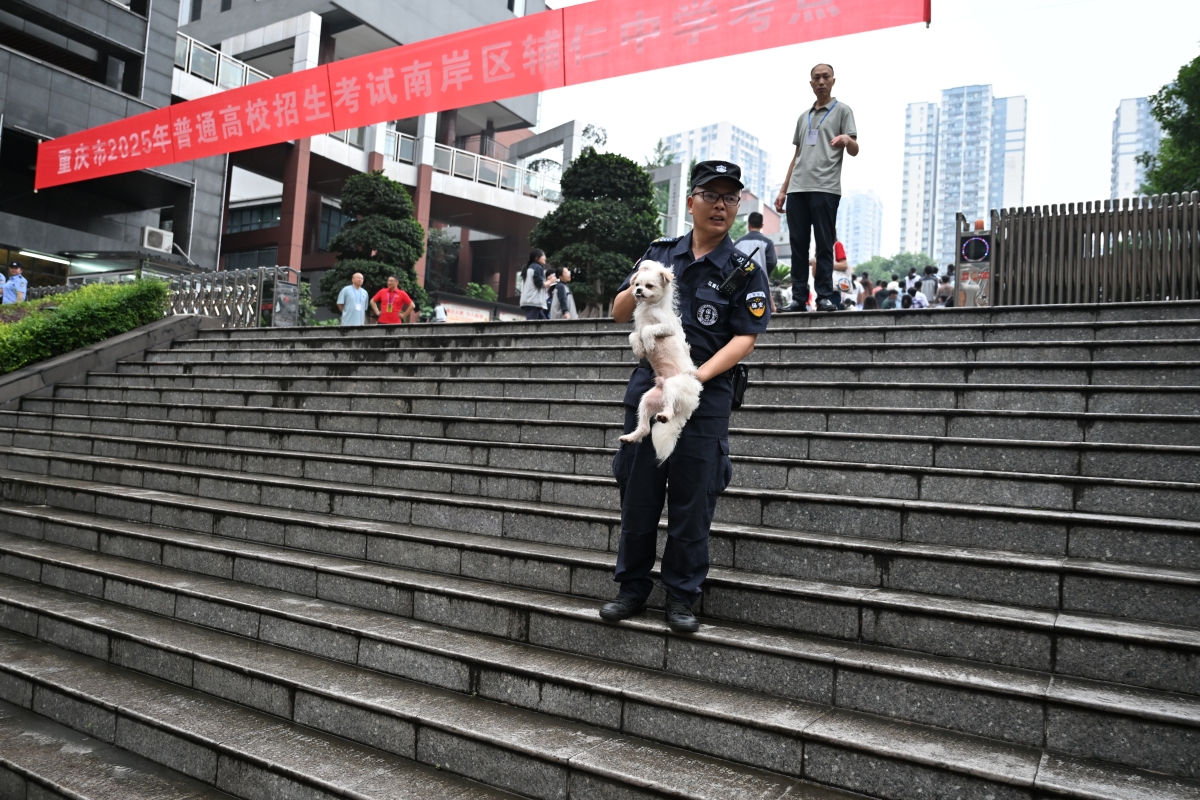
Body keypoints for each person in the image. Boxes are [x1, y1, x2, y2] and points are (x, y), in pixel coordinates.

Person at [601, 160, 770, 634]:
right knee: (639, 495)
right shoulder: (660, 254)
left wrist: (694, 376)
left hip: (705, 396)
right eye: (711, 195)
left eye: (730, 198)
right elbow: (617, 312)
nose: (720, 205)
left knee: (693, 501)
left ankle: (681, 596)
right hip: (651, 386)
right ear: (691, 201)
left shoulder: (742, 270)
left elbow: (744, 337)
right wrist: (643, 285)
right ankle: (631, 589)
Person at [773, 63, 858, 313]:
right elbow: (797, 155)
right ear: (810, 83)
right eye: (816, 78)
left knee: (823, 244)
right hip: (798, 189)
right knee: (798, 245)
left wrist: (847, 140)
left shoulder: (843, 111)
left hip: (826, 188)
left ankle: (824, 297)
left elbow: (855, 149)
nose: (821, 81)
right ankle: (799, 297)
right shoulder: (804, 117)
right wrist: (783, 189)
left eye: (825, 77)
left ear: (833, 81)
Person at [519, 249, 549, 320]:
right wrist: (550, 281)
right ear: (536, 257)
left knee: (545, 325)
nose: (545, 257)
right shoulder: (537, 267)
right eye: (543, 255)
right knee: (531, 326)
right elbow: (540, 284)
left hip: (532, 302)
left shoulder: (531, 267)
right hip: (533, 302)